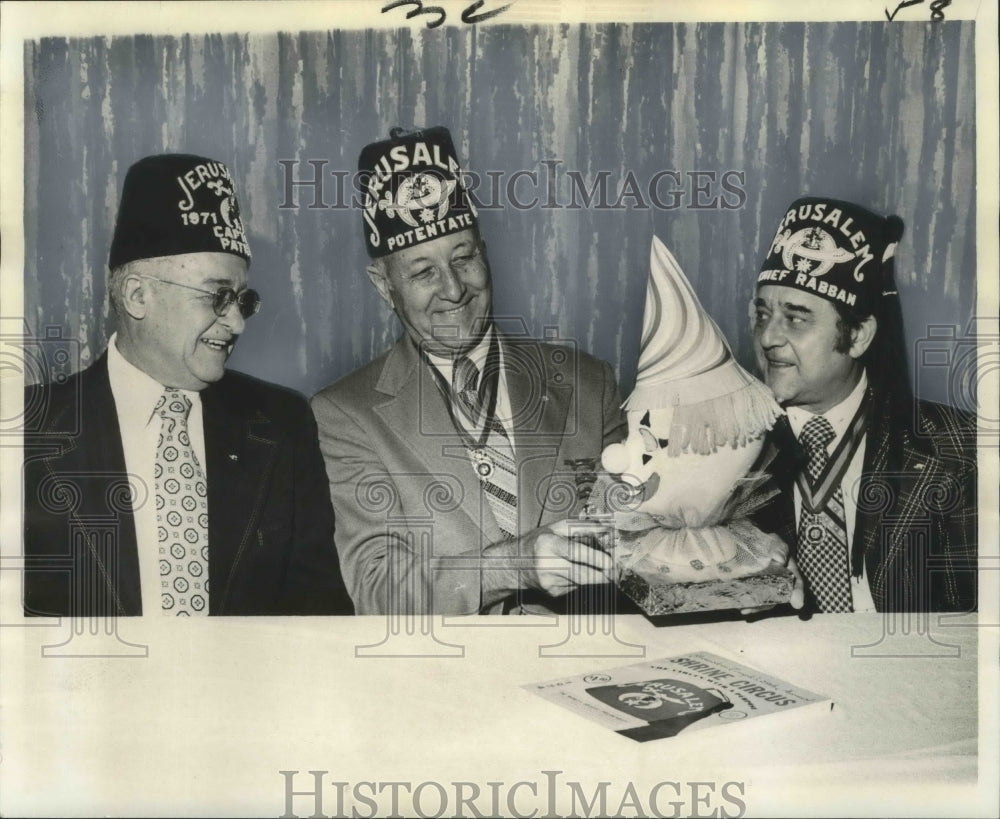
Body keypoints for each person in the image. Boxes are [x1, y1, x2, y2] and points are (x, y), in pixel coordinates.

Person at [311, 126, 627, 615]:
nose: (455, 289)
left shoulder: (590, 382)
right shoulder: (345, 415)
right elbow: (377, 589)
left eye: (465, 258)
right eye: (423, 272)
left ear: (485, 252)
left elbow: (638, 537)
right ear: (383, 284)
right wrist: (514, 565)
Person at [23, 153, 353, 617]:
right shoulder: (28, 433)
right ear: (139, 295)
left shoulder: (282, 424)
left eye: (243, 300)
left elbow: (319, 616)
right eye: (216, 296)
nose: (236, 322)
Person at [750, 196, 977, 613]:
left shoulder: (957, 449)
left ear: (857, 336)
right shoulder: (729, 445)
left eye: (796, 318)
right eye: (762, 314)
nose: (768, 338)